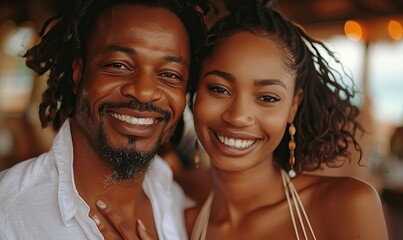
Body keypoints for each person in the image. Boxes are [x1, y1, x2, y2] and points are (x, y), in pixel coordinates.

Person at [92, 1, 390, 239]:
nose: (237, 116)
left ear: (293, 106)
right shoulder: (178, 225)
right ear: (195, 94)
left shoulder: (346, 205)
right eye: (219, 89)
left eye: (267, 97)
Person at [0, 0, 206, 239]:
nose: (144, 91)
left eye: (169, 74)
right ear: (78, 73)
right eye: (118, 65)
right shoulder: (9, 215)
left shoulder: (175, 201)